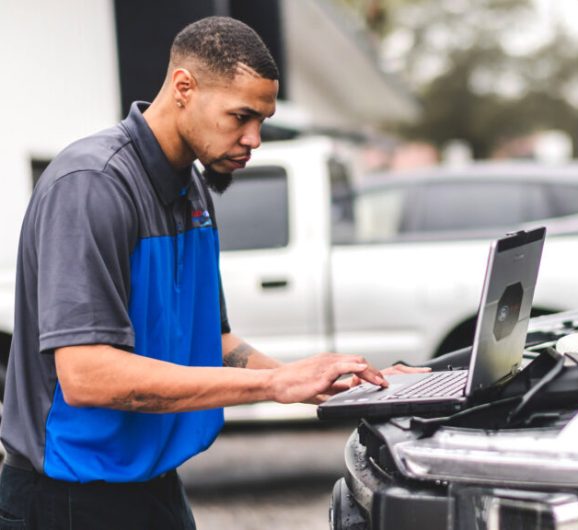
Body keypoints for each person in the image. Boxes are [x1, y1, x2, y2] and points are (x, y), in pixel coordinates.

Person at [0, 16, 423, 529]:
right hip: (68, 500)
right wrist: (274, 386)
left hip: (155, 489)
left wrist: (335, 383)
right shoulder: (93, 184)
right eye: (241, 116)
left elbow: (215, 341)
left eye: (261, 120)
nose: (254, 138)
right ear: (184, 87)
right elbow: (88, 376)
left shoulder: (193, 188)